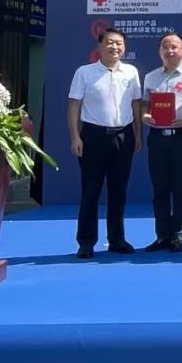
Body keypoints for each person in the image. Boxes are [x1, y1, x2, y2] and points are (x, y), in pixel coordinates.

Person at [68, 27, 142, 258]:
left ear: (124, 47)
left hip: (124, 135)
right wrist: (75, 136)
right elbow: (74, 105)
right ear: (100, 45)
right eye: (109, 42)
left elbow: (136, 104)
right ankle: (86, 242)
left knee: (118, 190)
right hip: (93, 136)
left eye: (119, 43)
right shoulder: (84, 72)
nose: (114, 47)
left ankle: (117, 239)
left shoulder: (131, 72)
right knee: (91, 190)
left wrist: (138, 134)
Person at [140, 32, 182, 253]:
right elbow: (145, 104)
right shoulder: (150, 77)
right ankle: (162, 236)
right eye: (165, 47)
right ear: (159, 51)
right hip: (157, 137)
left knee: (180, 187)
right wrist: (145, 116)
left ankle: (178, 235)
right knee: (160, 188)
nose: (170, 51)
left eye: (174, 47)